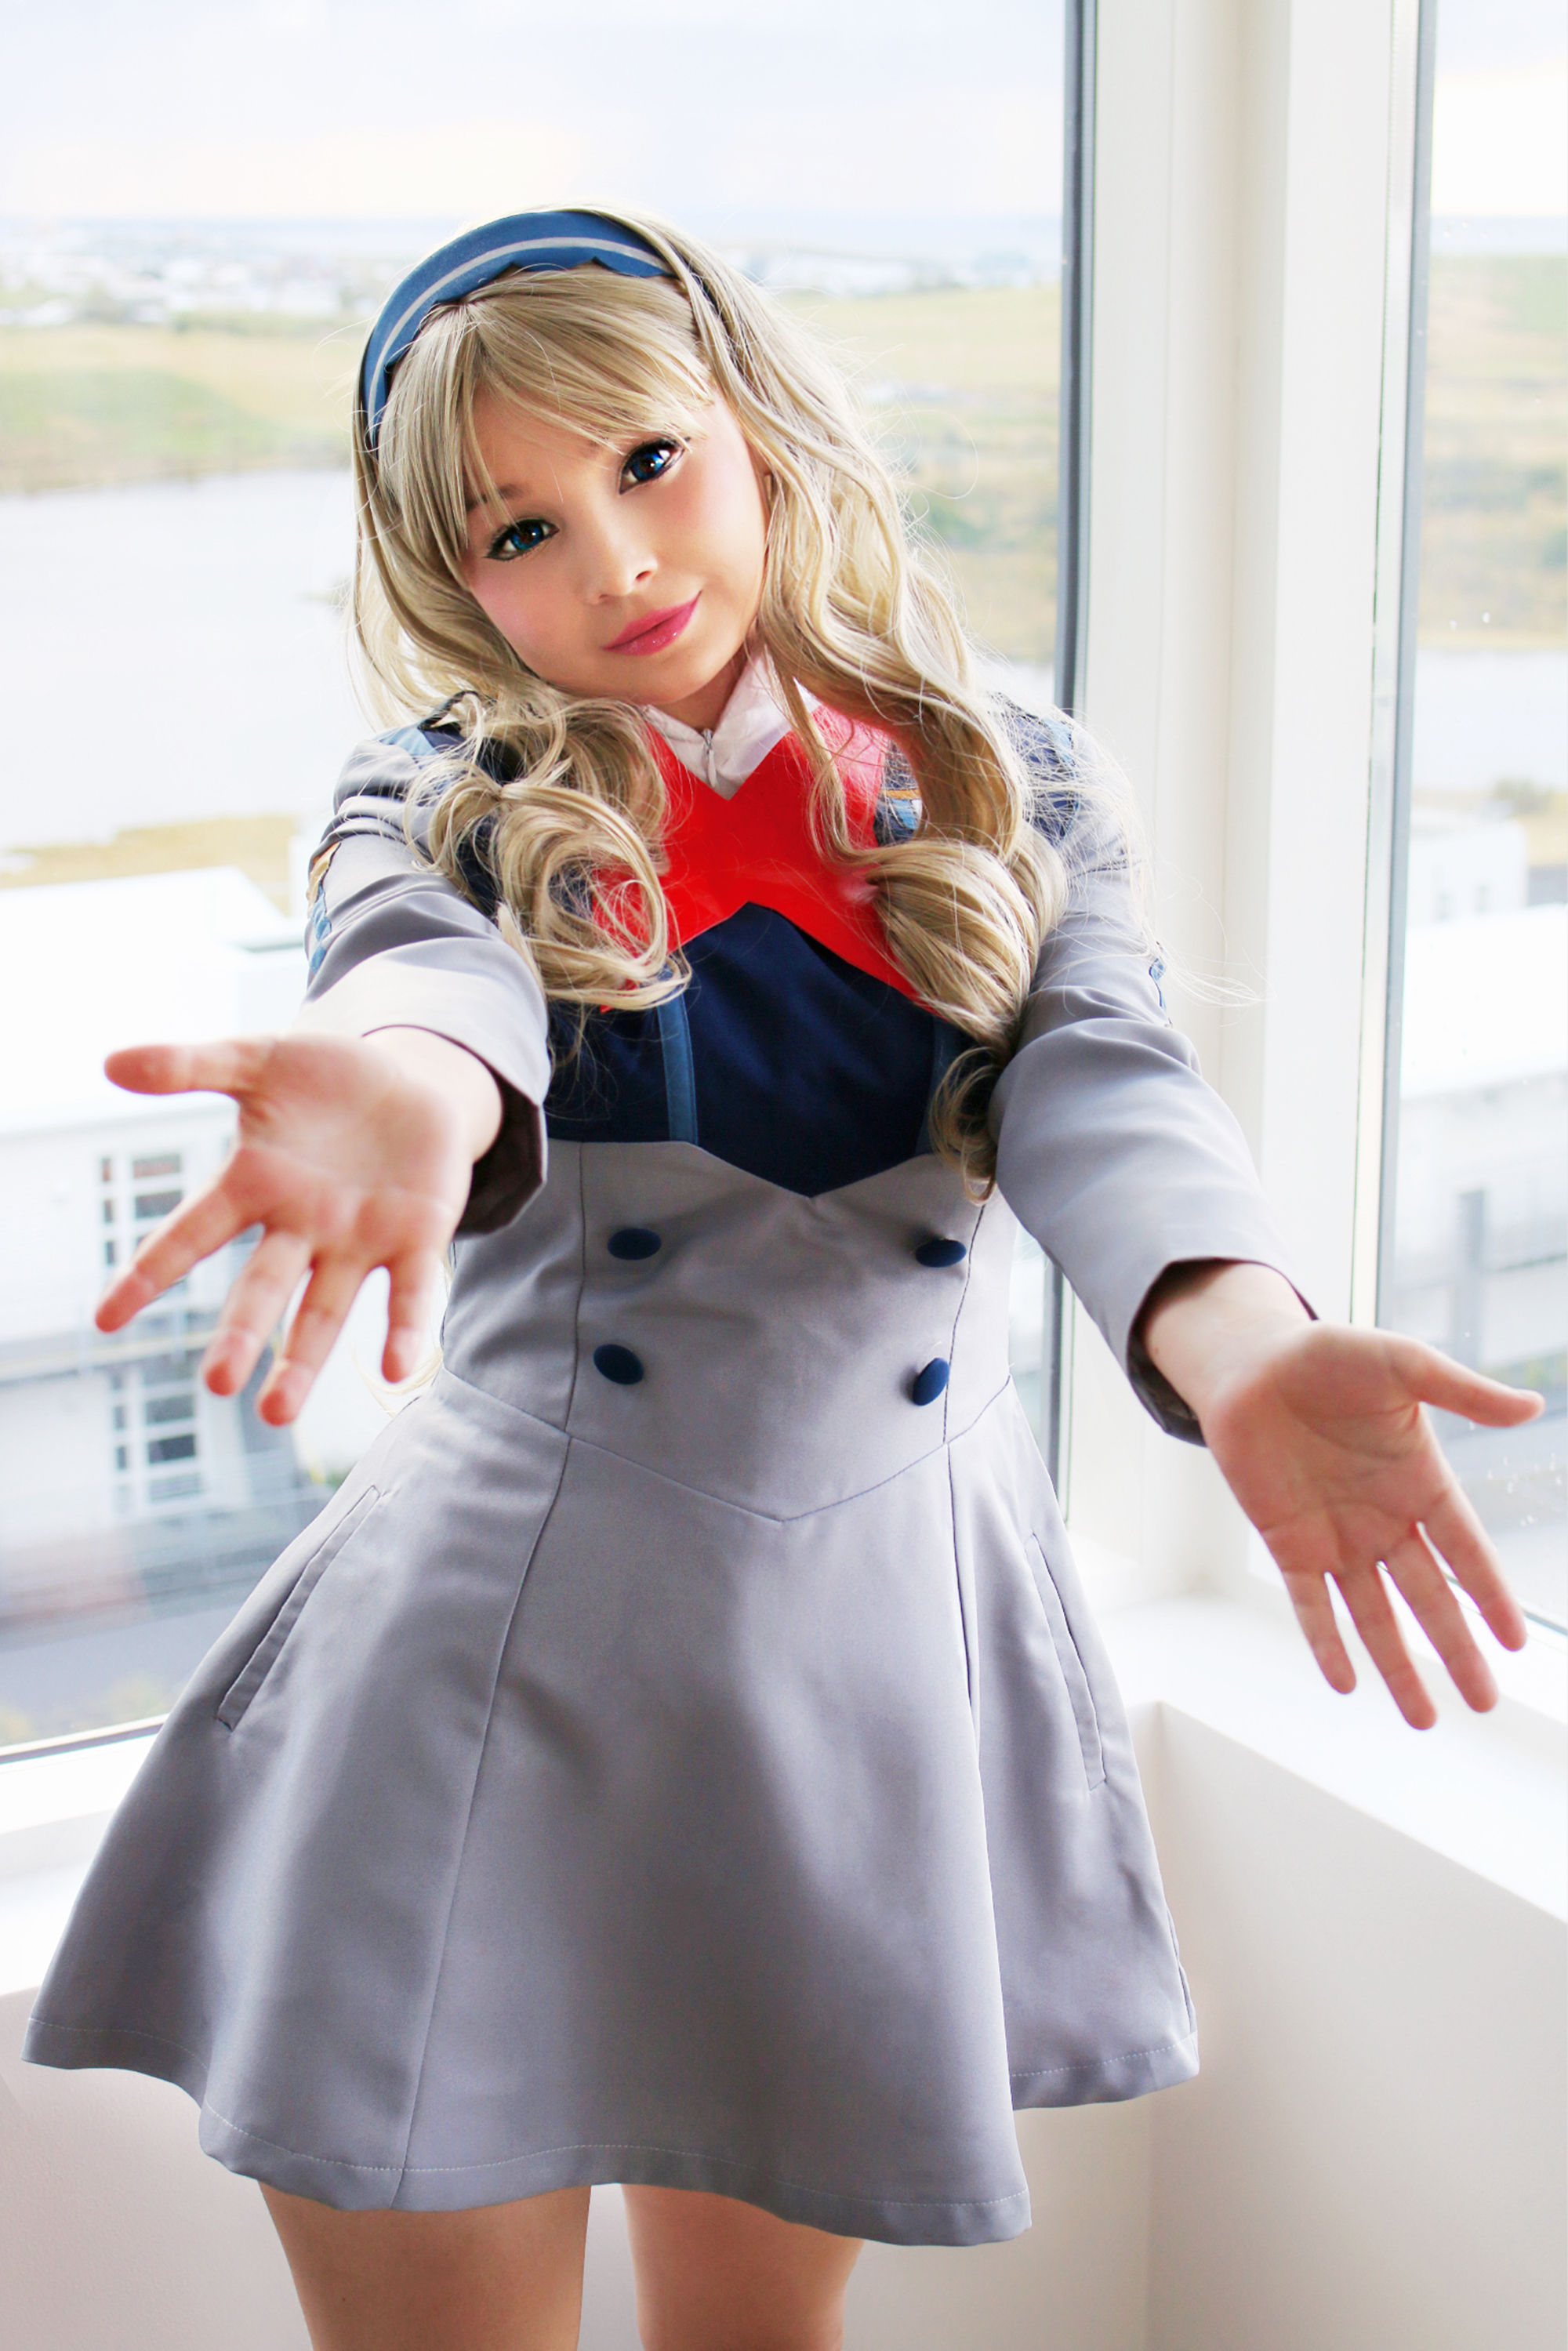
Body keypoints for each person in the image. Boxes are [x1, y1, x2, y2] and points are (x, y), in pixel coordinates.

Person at [24, 209, 1537, 2351]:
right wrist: (410, 1085)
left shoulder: (1009, 775)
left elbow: (1099, 1081)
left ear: (754, 422)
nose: (617, 561)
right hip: (491, 1672)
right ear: (452, 578)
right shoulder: (437, 802)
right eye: (520, 529)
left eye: (647, 460)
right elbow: (427, 987)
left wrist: (1249, 1340)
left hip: (858, 1669)